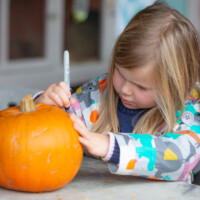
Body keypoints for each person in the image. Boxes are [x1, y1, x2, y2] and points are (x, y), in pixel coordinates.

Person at [34, 1, 200, 184]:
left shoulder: (189, 114)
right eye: (120, 72)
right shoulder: (98, 93)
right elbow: (59, 129)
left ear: (175, 86)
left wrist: (110, 146)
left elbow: (179, 158)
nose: (124, 89)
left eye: (141, 87)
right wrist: (44, 107)